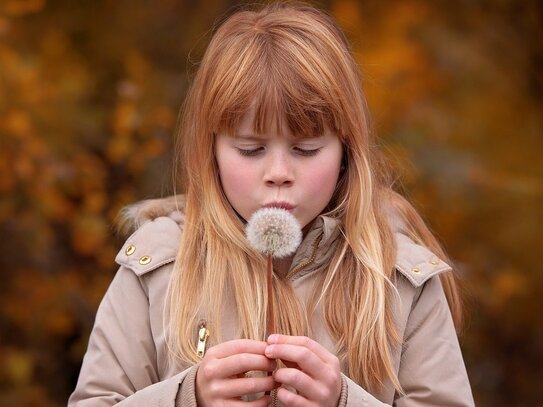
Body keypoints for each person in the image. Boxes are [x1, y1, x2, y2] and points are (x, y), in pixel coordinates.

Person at [68, 2, 474, 406]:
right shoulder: (157, 271)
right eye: (250, 149)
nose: (279, 171)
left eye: (306, 148)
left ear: (346, 150)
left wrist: (345, 403)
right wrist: (185, 398)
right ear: (210, 152)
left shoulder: (401, 282)